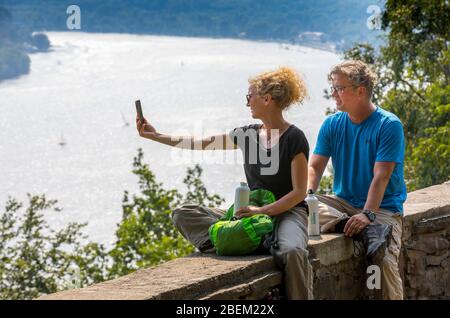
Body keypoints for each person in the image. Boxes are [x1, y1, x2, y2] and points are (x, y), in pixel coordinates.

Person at [136, 66, 312, 300]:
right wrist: (155, 136)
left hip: (288, 212)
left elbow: (299, 192)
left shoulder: (294, 137)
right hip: (251, 214)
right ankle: (251, 240)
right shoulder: (247, 134)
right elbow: (201, 143)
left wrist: (262, 211)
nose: (247, 102)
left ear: (267, 99)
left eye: (250, 96)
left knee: (292, 251)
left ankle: (262, 241)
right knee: (183, 213)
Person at [307, 60, 406, 300]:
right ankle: (345, 224)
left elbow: (381, 177)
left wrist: (368, 214)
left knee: (381, 263)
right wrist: (308, 193)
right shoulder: (332, 124)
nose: (333, 94)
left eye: (339, 88)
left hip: (381, 209)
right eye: (333, 88)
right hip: (342, 204)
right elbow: (314, 166)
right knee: (297, 203)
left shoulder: (388, 125)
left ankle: (366, 229)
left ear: (360, 91)